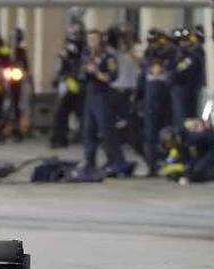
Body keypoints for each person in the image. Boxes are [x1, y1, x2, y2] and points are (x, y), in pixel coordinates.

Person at [71, 29, 127, 181]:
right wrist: (84, 72)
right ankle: (90, 161)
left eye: (95, 39)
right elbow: (81, 74)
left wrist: (96, 72)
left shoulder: (108, 58)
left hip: (103, 96)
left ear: (101, 40)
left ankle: (117, 161)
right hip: (89, 95)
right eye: (90, 40)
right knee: (88, 129)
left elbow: (112, 77)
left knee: (106, 129)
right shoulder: (86, 56)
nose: (92, 43)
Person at [137, 29, 173, 176]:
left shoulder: (171, 58)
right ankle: (152, 165)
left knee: (168, 134)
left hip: (165, 102)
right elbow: (142, 81)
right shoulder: (147, 60)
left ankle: (169, 163)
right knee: (149, 136)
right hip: (150, 103)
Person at [50, 35, 84, 148]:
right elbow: (58, 72)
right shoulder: (63, 56)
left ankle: (81, 136)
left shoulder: (82, 55)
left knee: (81, 114)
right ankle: (58, 139)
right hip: (66, 87)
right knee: (60, 114)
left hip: (78, 88)